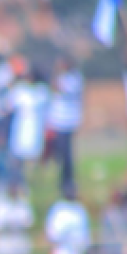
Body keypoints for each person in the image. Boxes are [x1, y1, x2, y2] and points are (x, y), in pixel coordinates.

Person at [46, 57, 83, 193]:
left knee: (66, 154)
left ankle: (67, 180)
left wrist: (56, 73)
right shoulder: (63, 77)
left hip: (67, 122)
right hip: (58, 122)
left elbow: (58, 88)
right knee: (59, 153)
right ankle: (63, 180)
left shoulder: (74, 79)